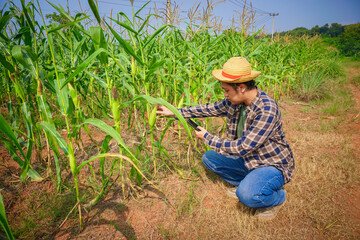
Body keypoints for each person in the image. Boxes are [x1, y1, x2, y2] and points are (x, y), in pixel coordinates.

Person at [156, 57, 295, 220]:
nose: (225, 94)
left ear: (241, 88)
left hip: (271, 164)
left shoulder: (266, 110)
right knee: (209, 158)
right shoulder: (235, 102)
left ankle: (277, 198)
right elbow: (207, 109)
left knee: (247, 196)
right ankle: (247, 182)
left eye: (226, 90)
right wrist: (175, 112)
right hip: (248, 160)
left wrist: (208, 137)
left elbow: (243, 147)